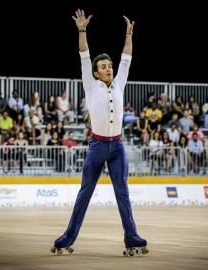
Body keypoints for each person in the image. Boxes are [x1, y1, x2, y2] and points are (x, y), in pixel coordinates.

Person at [52, 9, 147, 255]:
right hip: (97, 146)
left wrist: (129, 34)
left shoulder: (119, 82)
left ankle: (132, 237)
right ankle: (67, 238)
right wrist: (82, 30)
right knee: (85, 193)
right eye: (104, 67)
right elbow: (84, 54)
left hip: (117, 147)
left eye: (110, 66)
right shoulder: (90, 84)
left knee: (122, 192)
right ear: (96, 72)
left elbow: (127, 57)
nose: (109, 69)